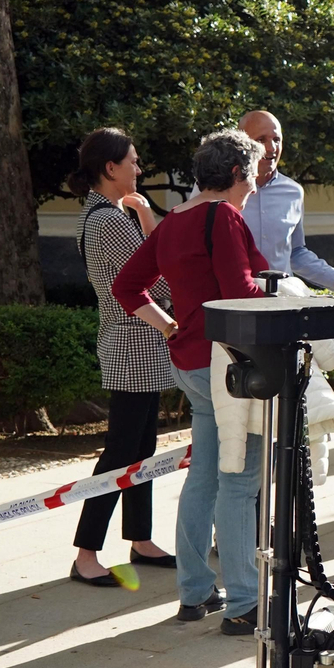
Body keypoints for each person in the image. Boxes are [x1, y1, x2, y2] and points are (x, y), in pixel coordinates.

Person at [114, 128, 269, 633]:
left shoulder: (173, 222)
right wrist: (292, 299)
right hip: (229, 367)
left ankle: (195, 593)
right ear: (236, 173)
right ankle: (246, 602)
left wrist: (168, 324)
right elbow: (240, 293)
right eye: (254, 173)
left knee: (203, 475)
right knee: (240, 480)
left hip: (191, 363)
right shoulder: (222, 216)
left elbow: (127, 285)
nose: (256, 183)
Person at [67, 128, 177, 587]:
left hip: (140, 342)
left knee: (143, 448)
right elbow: (162, 280)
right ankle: (86, 553)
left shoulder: (108, 213)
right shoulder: (108, 221)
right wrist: (150, 220)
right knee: (119, 452)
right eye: (132, 161)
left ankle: (140, 539)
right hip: (132, 342)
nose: (138, 168)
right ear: (109, 168)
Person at [238, 110, 334, 307]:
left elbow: (295, 253)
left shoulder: (293, 192)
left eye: (277, 139)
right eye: (261, 139)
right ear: (241, 142)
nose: (271, 147)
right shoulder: (215, 188)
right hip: (231, 304)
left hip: (278, 305)